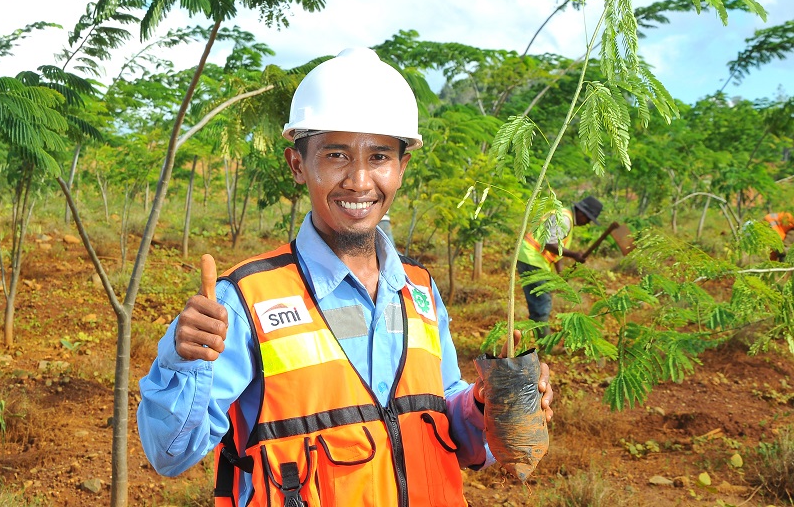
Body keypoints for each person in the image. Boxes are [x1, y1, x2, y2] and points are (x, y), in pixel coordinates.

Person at [137, 48, 554, 506]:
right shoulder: (245, 301)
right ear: (298, 165)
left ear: (401, 168)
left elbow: (447, 421)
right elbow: (169, 453)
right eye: (336, 155)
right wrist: (183, 360)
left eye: (379, 156)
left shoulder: (419, 290)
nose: (359, 180)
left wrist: (486, 404)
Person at [516, 196, 603, 338]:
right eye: (588, 219)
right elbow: (549, 244)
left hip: (530, 258)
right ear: (582, 213)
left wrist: (562, 275)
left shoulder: (565, 216)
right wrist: (574, 254)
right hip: (532, 259)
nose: (587, 223)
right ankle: (544, 344)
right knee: (542, 303)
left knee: (539, 302)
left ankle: (540, 339)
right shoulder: (564, 219)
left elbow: (557, 252)